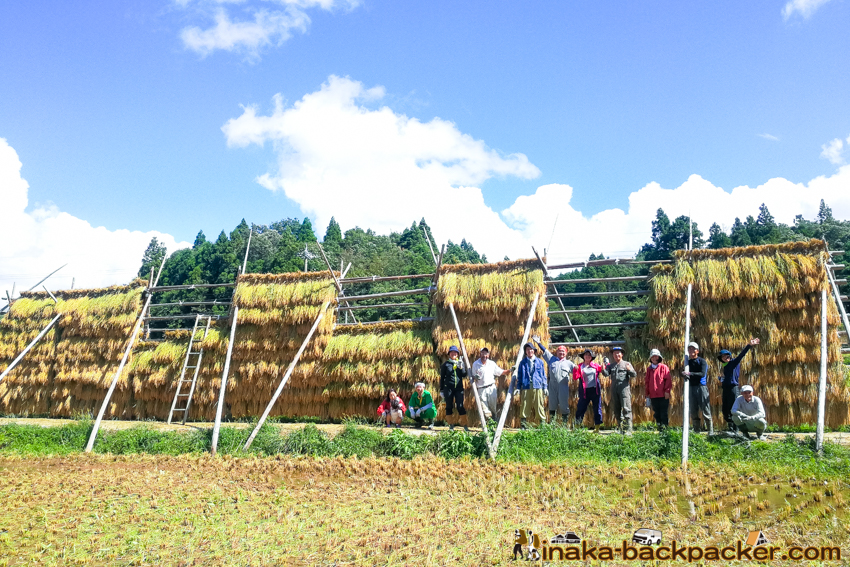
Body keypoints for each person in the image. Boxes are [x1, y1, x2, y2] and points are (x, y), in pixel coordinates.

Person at [717, 338, 760, 431]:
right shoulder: (725, 367)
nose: (726, 357)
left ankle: (736, 429)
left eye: (727, 355)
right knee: (725, 408)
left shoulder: (733, 363)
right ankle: (731, 427)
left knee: (734, 407)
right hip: (726, 388)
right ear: (721, 359)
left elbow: (741, 355)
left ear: (730, 356)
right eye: (723, 356)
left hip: (733, 388)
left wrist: (749, 345)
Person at [533, 335, 575, 426]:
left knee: (564, 405)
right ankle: (552, 424)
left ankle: (564, 425)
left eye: (563, 351)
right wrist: (538, 343)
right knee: (552, 405)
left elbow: (578, 372)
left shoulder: (569, 363)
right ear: (557, 352)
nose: (561, 353)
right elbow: (545, 351)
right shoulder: (552, 359)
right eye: (559, 351)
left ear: (566, 353)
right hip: (552, 386)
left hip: (563, 387)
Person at [509, 343, 547, 429]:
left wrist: (545, 387)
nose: (530, 351)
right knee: (525, 405)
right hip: (526, 386)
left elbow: (543, 375)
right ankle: (523, 425)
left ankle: (542, 424)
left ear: (534, 351)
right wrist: (518, 388)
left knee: (539, 405)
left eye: (531, 349)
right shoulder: (522, 363)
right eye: (527, 350)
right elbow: (519, 376)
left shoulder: (540, 362)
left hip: (537, 386)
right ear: (525, 352)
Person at [602, 346, 637, 434]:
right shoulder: (611, 365)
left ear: (622, 354)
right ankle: (621, 429)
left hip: (624, 388)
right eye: (614, 353)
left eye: (618, 353)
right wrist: (603, 368)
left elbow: (634, 374)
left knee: (626, 408)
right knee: (616, 409)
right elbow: (606, 374)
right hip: (614, 389)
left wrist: (629, 370)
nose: (616, 355)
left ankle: (628, 430)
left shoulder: (626, 364)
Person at [470, 347, 508, 421]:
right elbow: (473, 376)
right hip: (481, 389)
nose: (484, 355)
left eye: (486, 353)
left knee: (493, 407)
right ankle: (489, 422)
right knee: (484, 408)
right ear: (480, 354)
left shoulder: (491, 364)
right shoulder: (476, 364)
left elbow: (500, 372)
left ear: (488, 354)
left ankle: (494, 422)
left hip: (491, 388)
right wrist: (475, 377)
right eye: (483, 353)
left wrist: (510, 370)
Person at [683, 342, 713, 435]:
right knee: (693, 410)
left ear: (697, 351)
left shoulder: (702, 361)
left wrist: (690, 374)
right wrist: (684, 374)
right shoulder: (687, 363)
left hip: (701, 387)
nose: (691, 350)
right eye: (689, 349)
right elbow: (685, 373)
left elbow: (702, 374)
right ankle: (696, 431)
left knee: (705, 409)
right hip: (691, 387)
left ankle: (710, 431)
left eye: (693, 349)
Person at [573, 349, 604, 432]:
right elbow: (575, 377)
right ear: (583, 356)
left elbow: (604, 369)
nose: (587, 356)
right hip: (584, 391)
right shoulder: (579, 366)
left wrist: (606, 364)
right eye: (586, 355)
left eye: (589, 355)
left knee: (597, 408)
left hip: (595, 390)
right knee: (580, 408)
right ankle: (577, 426)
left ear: (591, 357)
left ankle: (597, 428)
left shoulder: (595, 366)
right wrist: (575, 369)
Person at [440, 345, 469, 431]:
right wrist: (441, 389)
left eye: (455, 352)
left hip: (459, 388)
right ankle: (451, 425)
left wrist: (461, 367)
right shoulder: (446, 364)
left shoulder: (460, 363)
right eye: (452, 352)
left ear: (457, 354)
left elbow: (464, 375)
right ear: (449, 354)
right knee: (449, 406)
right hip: (448, 388)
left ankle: (465, 425)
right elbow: (442, 377)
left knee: (460, 406)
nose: (453, 354)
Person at [644, 349, 671, 430]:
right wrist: (647, 394)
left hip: (663, 394)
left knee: (663, 413)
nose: (654, 358)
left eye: (656, 356)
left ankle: (665, 430)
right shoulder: (649, 369)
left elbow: (668, 380)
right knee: (656, 413)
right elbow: (647, 382)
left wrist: (667, 391)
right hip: (653, 395)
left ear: (659, 357)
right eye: (652, 356)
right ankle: (660, 429)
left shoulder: (664, 367)